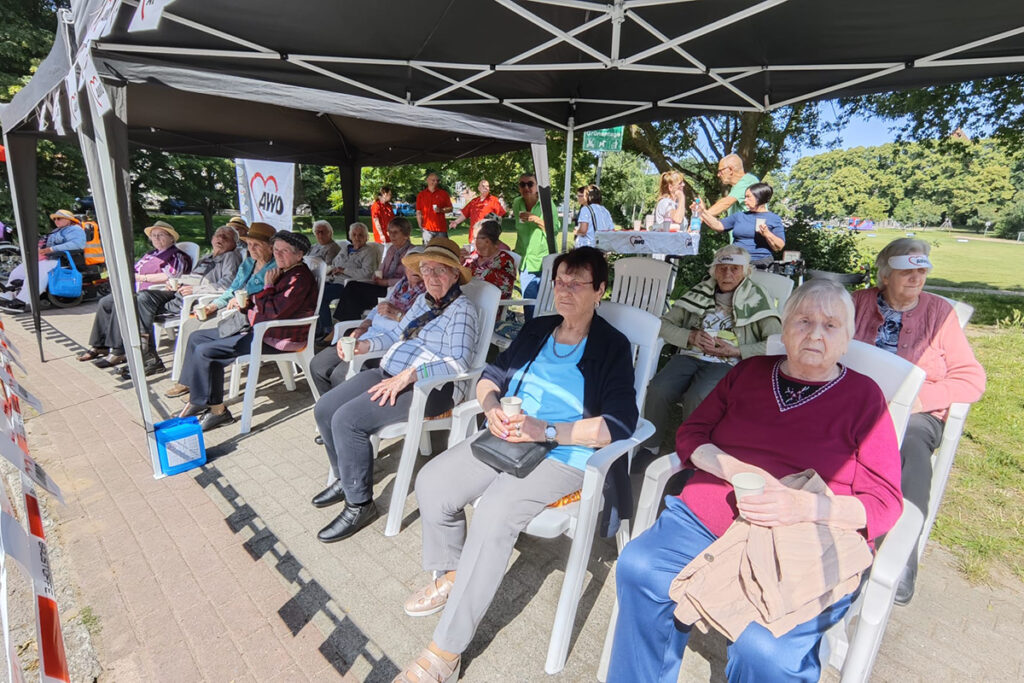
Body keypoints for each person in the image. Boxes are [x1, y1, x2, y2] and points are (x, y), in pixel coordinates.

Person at [608, 278, 903, 683]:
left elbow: (885, 503)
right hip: (705, 521)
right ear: (783, 329)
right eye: (803, 321)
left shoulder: (864, 398)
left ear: (848, 338)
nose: (815, 334)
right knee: (641, 568)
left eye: (831, 325)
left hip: (801, 542)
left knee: (764, 651)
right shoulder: (749, 372)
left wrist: (803, 506)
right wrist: (734, 469)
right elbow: (691, 434)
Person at [392, 247, 638, 683]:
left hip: (563, 453)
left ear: (600, 290)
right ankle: (457, 573)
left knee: (495, 511)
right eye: (560, 281)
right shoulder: (539, 328)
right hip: (507, 437)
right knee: (432, 482)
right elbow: (491, 376)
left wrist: (546, 430)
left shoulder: (611, 346)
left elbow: (618, 425)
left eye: (577, 283)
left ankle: (446, 649)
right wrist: (490, 408)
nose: (565, 290)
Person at [311, 237, 479, 542]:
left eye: (440, 270)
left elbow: (459, 362)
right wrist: (365, 345)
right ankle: (346, 479)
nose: (431, 277)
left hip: (432, 388)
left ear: (455, 274)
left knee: (347, 420)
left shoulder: (462, 310)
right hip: (390, 373)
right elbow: (396, 336)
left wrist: (412, 375)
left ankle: (359, 504)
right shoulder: (423, 302)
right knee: (325, 409)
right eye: (426, 270)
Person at [852, 238, 985, 605]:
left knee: (910, 447)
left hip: (917, 412)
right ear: (885, 275)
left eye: (922, 270)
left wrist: (922, 400)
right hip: (859, 403)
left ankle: (899, 560)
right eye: (906, 271)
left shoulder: (939, 314)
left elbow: (971, 378)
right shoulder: (857, 303)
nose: (916, 277)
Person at [643, 245, 781, 453]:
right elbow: (662, 324)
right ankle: (650, 446)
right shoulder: (701, 292)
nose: (727, 274)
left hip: (728, 363)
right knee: (658, 388)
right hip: (690, 354)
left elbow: (777, 342)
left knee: (699, 395)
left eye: (734, 269)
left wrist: (737, 350)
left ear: (745, 271)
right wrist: (690, 336)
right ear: (714, 270)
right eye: (722, 268)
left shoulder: (757, 298)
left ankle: (691, 451)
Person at [176, 231, 316, 431]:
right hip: (260, 328)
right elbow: (265, 304)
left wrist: (266, 287)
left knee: (206, 351)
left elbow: (274, 312)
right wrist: (249, 303)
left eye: (284, 251)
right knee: (197, 337)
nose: (277, 254)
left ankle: (218, 411)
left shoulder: (298, 278)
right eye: (276, 249)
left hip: (277, 336)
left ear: (299, 254)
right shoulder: (284, 270)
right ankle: (199, 398)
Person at [164, 222, 279, 397]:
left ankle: (199, 383)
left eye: (257, 245)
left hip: (246, 313)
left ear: (270, 247)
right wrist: (213, 305)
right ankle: (186, 379)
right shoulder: (248, 263)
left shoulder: (275, 268)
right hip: (230, 307)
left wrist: (243, 299)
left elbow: (266, 297)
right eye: (249, 244)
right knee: (190, 324)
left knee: (203, 331)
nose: (251, 248)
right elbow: (232, 289)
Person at [128, 224, 243, 378]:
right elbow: (193, 276)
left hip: (193, 300)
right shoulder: (207, 257)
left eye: (226, 237)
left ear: (234, 243)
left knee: (142, 304)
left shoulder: (230, 257)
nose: (220, 239)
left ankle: (146, 355)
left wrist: (196, 290)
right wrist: (176, 282)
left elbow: (226, 285)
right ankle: (146, 355)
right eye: (218, 235)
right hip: (179, 292)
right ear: (212, 239)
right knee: (141, 298)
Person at [76, 221, 192, 368]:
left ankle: (119, 351)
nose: (156, 238)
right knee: (106, 302)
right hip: (139, 291)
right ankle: (100, 345)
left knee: (123, 304)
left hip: (161, 294)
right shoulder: (151, 254)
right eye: (153, 235)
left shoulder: (176, 255)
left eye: (161, 235)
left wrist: (143, 278)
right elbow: (134, 270)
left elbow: (172, 275)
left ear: (171, 238)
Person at [308, 257, 426, 396]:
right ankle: (328, 404)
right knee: (318, 364)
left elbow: (418, 328)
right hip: (369, 334)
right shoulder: (400, 285)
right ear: (405, 268)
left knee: (340, 375)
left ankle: (342, 406)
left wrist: (398, 314)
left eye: (421, 266)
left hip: (389, 343)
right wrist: (363, 326)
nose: (416, 270)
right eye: (411, 265)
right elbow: (377, 309)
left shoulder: (427, 294)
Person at [1, 209, 87, 312]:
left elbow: (77, 244)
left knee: (36, 274)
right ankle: (8, 295)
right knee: (17, 272)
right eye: (54, 219)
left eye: (59, 218)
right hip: (47, 258)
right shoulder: (57, 231)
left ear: (69, 219)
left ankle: (22, 301)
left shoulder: (75, 229)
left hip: (60, 259)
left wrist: (51, 249)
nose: (56, 221)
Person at [334, 217, 414, 323]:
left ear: (406, 234)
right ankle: (348, 325)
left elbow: (409, 280)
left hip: (396, 292)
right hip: (382, 288)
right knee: (352, 291)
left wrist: (386, 282)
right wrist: (376, 277)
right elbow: (382, 269)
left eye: (395, 232)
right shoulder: (392, 249)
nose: (392, 236)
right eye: (390, 232)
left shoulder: (412, 252)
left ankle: (345, 325)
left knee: (353, 290)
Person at [697, 182, 786, 269]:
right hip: (736, 261)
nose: (745, 200)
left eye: (748, 197)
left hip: (761, 263)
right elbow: (719, 226)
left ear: (759, 197)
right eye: (745, 197)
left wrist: (767, 234)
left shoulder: (774, 219)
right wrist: (702, 211)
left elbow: (780, 246)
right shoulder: (739, 216)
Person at [317, 222, 379, 338]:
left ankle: (327, 329)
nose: (357, 238)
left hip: (347, 285)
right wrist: (332, 269)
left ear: (366, 237)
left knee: (321, 295)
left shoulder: (369, 251)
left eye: (361, 235)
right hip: (332, 280)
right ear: (350, 236)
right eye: (354, 234)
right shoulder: (346, 248)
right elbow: (335, 263)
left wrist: (344, 270)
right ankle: (317, 327)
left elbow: (367, 273)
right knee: (312, 291)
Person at [512, 172, 559, 320]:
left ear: (537, 187)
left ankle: (544, 330)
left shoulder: (547, 203)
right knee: (530, 304)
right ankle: (531, 330)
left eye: (530, 184)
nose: (526, 188)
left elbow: (554, 230)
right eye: (522, 184)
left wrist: (536, 219)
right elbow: (520, 230)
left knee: (546, 304)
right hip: (526, 260)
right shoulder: (517, 203)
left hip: (544, 259)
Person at [461, 220, 517, 301]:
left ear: (487, 241)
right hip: (468, 301)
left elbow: (503, 294)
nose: (472, 241)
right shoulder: (472, 256)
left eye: (475, 238)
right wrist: (459, 264)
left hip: (489, 305)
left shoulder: (503, 261)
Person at [703, 153, 760, 218]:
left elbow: (726, 203)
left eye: (720, 171)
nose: (718, 175)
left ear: (730, 170)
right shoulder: (736, 188)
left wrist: (701, 217)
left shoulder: (748, 181)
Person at [415, 172, 453, 243]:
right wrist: (420, 226)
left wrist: (441, 210)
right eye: (433, 180)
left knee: (442, 248)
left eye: (437, 180)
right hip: (427, 229)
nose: (435, 182)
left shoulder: (443, 194)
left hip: (441, 229)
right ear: (428, 180)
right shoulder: (421, 195)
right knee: (428, 249)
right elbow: (418, 212)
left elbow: (450, 208)